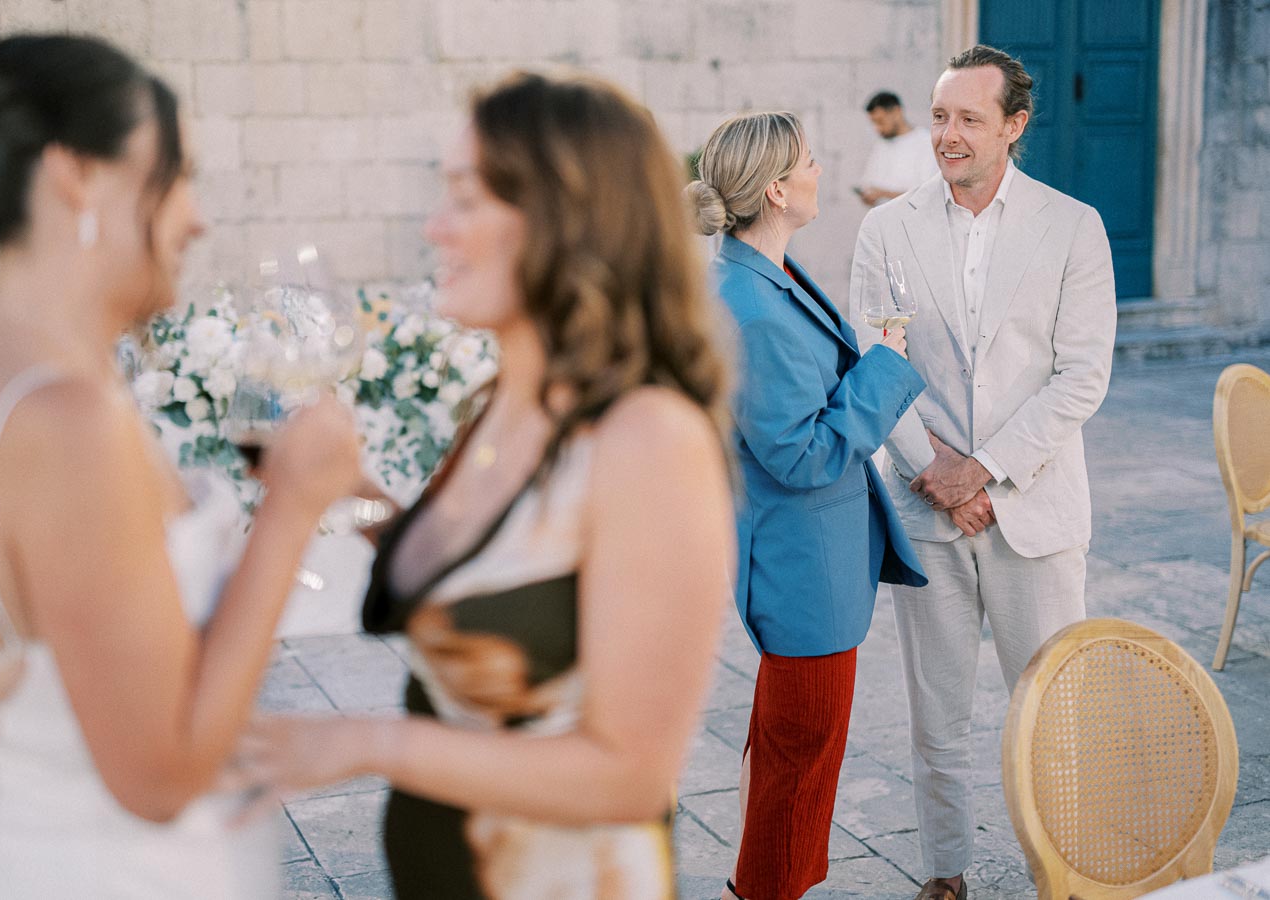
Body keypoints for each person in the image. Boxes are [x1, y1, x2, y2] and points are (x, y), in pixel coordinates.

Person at [230, 71, 736, 900]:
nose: (434, 228)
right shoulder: (497, 403)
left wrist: (361, 745)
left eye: (465, 200)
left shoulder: (650, 438)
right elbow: (493, 582)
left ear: (566, 218)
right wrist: (351, 493)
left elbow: (631, 777)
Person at [0, 34, 362, 898]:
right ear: (76, 176)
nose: (195, 217)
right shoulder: (64, 419)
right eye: (178, 174)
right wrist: (292, 509)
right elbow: (157, 777)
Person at [849, 45, 1116, 900]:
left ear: (1014, 125)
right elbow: (875, 360)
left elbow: (1083, 374)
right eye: (939, 117)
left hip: (1032, 512)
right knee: (939, 715)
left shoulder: (1074, 225)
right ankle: (943, 873)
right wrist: (938, 473)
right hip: (928, 510)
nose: (948, 135)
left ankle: (1061, 871)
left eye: (968, 118)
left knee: (1052, 718)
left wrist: (987, 474)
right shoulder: (885, 229)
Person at [686, 111, 928, 900]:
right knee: (798, 772)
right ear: (777, 189)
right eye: (812, 160)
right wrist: (886, 366)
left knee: (793, 761)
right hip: (803, 577)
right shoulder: (749, 306)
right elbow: (803, 453)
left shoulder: (759, 274)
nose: (825, 170)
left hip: (806, 564)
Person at [857, 91, 939, 207]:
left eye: (880, 121)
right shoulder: (881, 145)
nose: (877, 128)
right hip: (881, 221)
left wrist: (882, 193)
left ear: (896, 112)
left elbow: (927, 194)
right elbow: (868, 182)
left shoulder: (926, 143)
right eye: (874, 123)